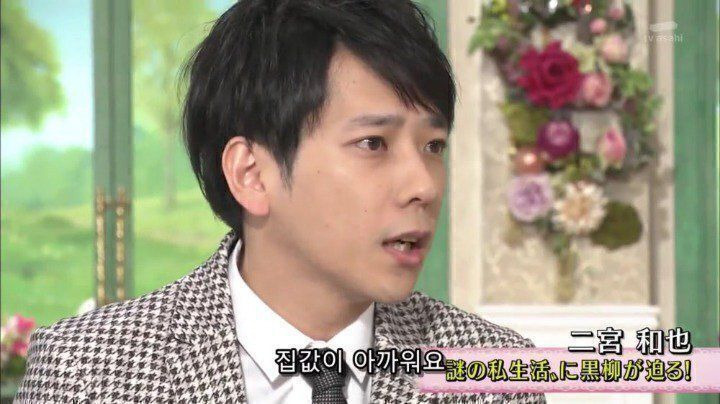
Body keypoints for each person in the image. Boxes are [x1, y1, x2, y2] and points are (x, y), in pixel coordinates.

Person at [16, 1, 545, 403]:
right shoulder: (88, 374)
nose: (424, 186)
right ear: (251, 174)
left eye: (433, 146)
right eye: (373, 143)